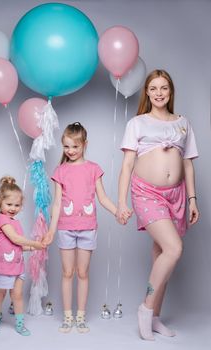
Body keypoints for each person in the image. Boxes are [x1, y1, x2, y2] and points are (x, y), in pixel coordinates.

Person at [116, 69, 199, 341]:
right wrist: (120, 201)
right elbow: (127, 165)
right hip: (146, 193)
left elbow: (187, 163)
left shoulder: (183, 123)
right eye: (154, 88)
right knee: (174, 248)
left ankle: (155, 318)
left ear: (170, 91)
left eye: (164, 88)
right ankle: (145, 307)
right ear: (147, 93)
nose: (159, 93)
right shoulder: (137, 123)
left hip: (176, 194)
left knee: (161, 255)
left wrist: (192, 199)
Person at [43, 122, 117, 333]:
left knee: (82, 272)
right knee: (67, 272)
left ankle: (80, 317)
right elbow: (56, 203)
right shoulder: (60, 171)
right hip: (66, 228)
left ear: (85, 144)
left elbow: (102, 198)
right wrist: (50, 230)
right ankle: (68, 317)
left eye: (75, 147)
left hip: (87, 228)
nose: (71, 151)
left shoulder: (93, 169)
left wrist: (118, 212)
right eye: (66, 147)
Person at [0, 176, 45, 336]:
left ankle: (20, 324)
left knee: (18, 295)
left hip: (17, 266)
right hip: (2, 267)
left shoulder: (15, 222)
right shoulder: (2, 220)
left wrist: (36, 247)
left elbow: (19, 245)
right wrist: (34, 243)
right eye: (9, 204)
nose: (13, 208)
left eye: (17, 205)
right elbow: (15, 238)